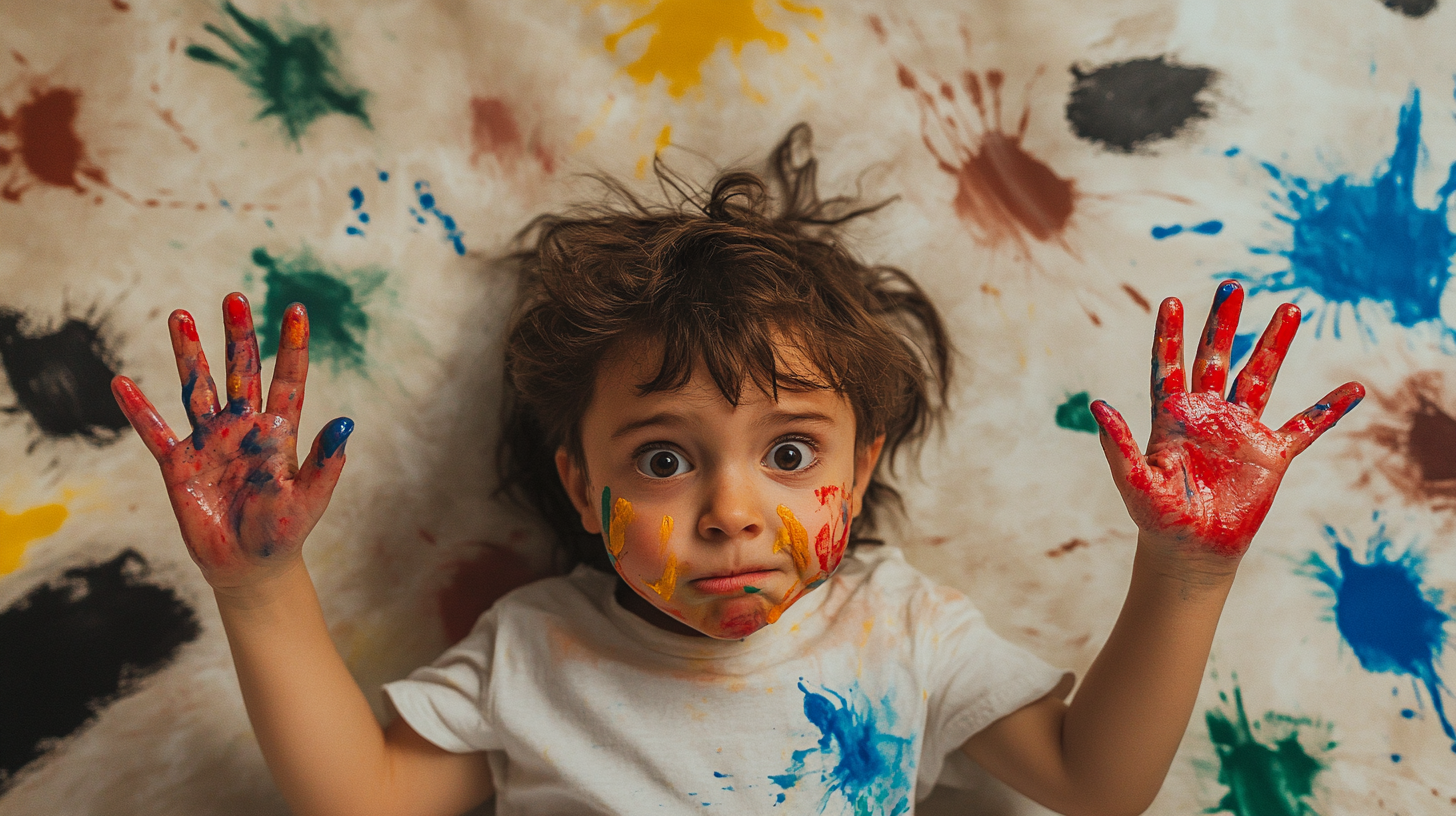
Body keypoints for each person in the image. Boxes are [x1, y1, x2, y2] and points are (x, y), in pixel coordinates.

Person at [111, 127, 1364, 816]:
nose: (729, 509)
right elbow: (362, 804)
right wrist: (264, 592)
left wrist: (1188, 570)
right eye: (663, 457)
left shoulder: (905, 631)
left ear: (863, 460)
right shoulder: (533, 649)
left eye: (788, 452)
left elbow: (1098, 788)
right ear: (577, 479)